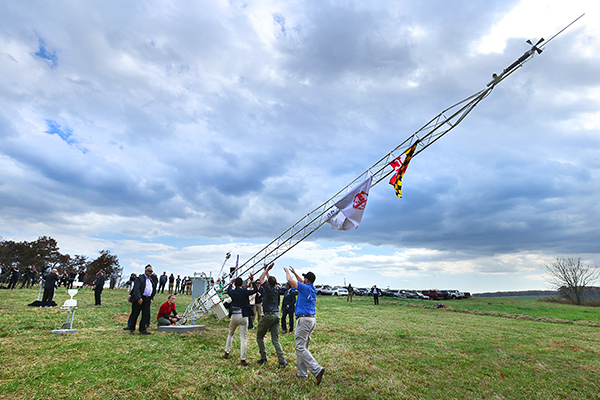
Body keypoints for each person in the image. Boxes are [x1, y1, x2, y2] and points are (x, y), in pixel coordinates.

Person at [284, 266, 325, 386]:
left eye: (304, 278)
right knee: (303, 347)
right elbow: (300, 282)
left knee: (300, 347)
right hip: (311, 320)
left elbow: (291, 281)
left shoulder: (305, 287)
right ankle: (302, 373)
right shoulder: (311, 289)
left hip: (304, 320)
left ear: (307, 280)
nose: (303, 279)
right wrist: (295, 272)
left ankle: (317, 369)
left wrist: (287, 273)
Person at [255, 263, 287, 367]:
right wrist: (267, 271)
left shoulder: (267, 288)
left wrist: (267, 269)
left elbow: (261, 277)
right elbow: (269, 279)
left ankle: (264, 358)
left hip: (268, 315)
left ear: (268, 283)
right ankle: (282, 360)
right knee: (275, 339)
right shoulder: (276, 288)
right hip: (276, 315)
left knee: (259, 336)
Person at [223, 274, 258, 366]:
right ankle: (243, 359)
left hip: (234, 315)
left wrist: (231, 283)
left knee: (230, 334)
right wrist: (252, 281)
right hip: (243, 316)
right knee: (243, 338)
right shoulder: (244, 291)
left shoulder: (233, 292)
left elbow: (228, 290)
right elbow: (255, 290)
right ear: (242, 284)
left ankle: (226, 352)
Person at [126, 265, 156, 335]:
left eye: (152, 271)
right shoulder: (140, 278)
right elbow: (136, 289)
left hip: (147, 299)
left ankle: (142, 329)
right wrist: (139, 298)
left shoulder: (151, 280)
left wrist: (151, 298)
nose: (151, 273)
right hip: (139, 299)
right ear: (146, 271)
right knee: (135, 314)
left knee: (145, 315)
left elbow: (153, 289)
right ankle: (132, 329)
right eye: (150, 271)